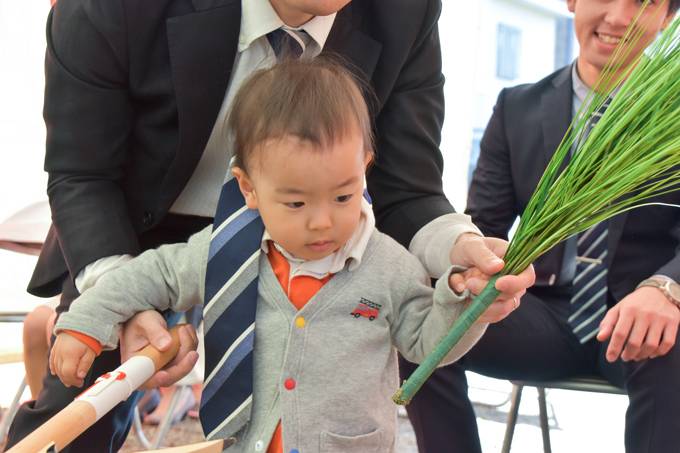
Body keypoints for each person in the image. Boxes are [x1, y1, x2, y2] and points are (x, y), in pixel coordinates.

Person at [6, 0, 534, 451]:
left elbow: (410, 189)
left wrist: (461, 250)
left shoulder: (407, 10)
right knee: (81, 410)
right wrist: (112, 302)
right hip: (136, 227)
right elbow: (83, 173)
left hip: (314, 236)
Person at [398, 1, 680, 452]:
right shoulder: (518, 106)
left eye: (642, 2)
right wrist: (470, 274)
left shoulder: (675, 111)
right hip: (540, 313)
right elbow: (485, 226)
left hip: (643, 318)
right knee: (417, 320)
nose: (618, 18)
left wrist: (667, 286)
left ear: (668, 18)